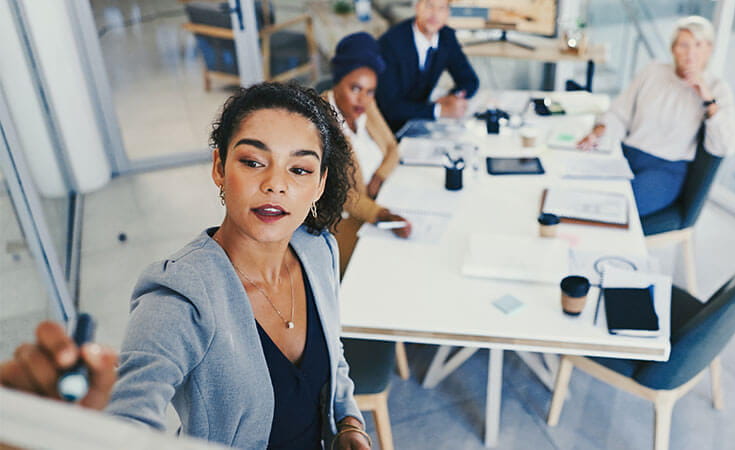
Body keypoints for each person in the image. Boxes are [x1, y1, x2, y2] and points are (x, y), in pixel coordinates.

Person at [0, 82, 371, 450]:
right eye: (254, 162)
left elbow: (333, 355)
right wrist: (64, 430)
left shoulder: (318, 250)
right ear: (220, 168)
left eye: (300, 169)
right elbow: (128, 422)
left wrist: (350, 423)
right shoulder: (179, 298)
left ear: (320, 184)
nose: (276, 184)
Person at [578, 16, 735, 217]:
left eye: (699, 45)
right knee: (582, 192)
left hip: (665, 169)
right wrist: (598, 133)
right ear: (673, 48)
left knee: (613, 207)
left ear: (709, 49)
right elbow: (619, 113)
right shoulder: (653, 70)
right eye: (684, 45)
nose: (691, 54)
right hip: (626, 155)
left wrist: (707, 99)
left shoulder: (717, 88)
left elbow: (724, 145)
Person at [324, 32, 413, 273]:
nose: (363, 100)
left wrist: (379, 177)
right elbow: (339, 193)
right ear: (337, 81)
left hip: (387, 201)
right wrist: (381, 214)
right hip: (351, 225)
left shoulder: (366, 106)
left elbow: (393, 147)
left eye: (370, 91)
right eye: (355, 88)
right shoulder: (320, 124)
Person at [376, 0, 480, 132]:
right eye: (429, 6)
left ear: (448, 12)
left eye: (441, 8)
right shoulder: (391, 43)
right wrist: (439, 110)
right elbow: (390, 106)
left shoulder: (446, 37)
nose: (435, 14)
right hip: (388, 128)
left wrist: (453, 97)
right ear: (417, 7)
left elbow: (469, 80)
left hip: (419, 123)